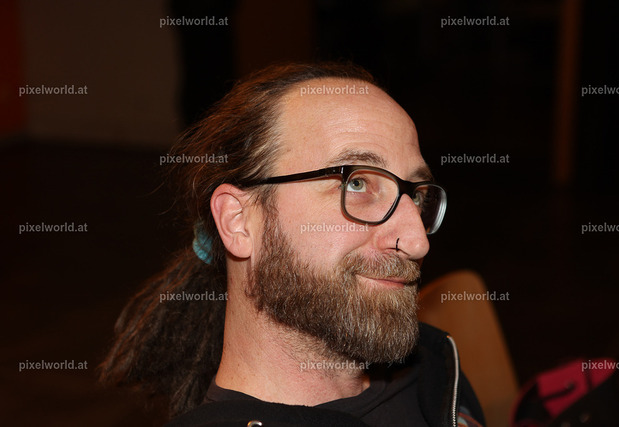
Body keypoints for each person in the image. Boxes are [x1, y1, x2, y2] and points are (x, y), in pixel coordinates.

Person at [99, 62, 485, 427]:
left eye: (415, 196)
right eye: (357, 183)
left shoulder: (437, 369)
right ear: (238, 221)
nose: (417, 241)